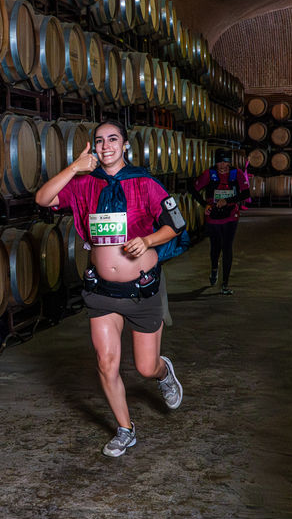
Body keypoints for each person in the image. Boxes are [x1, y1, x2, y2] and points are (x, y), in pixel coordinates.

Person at [35, 120, 186, 458]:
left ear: (125, 145)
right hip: (102, 290)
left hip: (141, 289)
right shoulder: (83, 183)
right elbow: (43, 198)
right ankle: (125, 429)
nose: (106, 146)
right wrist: (74, 167)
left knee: (145, 367)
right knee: (106, 363)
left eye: (112, 139)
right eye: (99, 141)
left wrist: (147, 239)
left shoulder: (143, 182)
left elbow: (175, 224)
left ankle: (163, 373)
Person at [192, 149, 251, 295]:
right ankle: (214, 268)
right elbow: (193, 189)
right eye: (219, 162)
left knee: (227, 247)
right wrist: (205, 204)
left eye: (225, 162)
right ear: (215, 162)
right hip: (213, 217)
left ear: (230, 162)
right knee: (215, 246)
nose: (222, 165)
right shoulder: (209, 174)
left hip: (231, 215)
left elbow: (246, 193)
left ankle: (225, 283)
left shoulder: (236, 173)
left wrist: (228, 201)